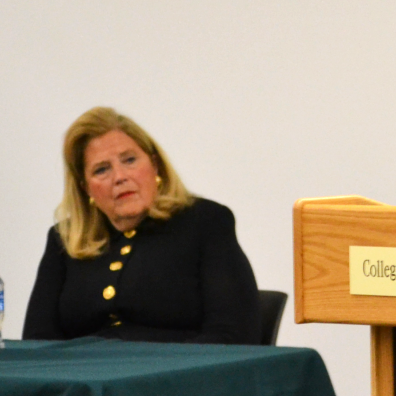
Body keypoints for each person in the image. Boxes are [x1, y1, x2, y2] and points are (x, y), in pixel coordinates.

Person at [22, 107, 261, 345]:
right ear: (86, 188)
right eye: (102, 169)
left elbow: (233, 334)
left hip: (173, 377)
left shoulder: (206, 222)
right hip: (81, 379)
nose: (119, 177)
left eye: (129, 160)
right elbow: (36, 343)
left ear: (155, 165)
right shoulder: (65, 240)